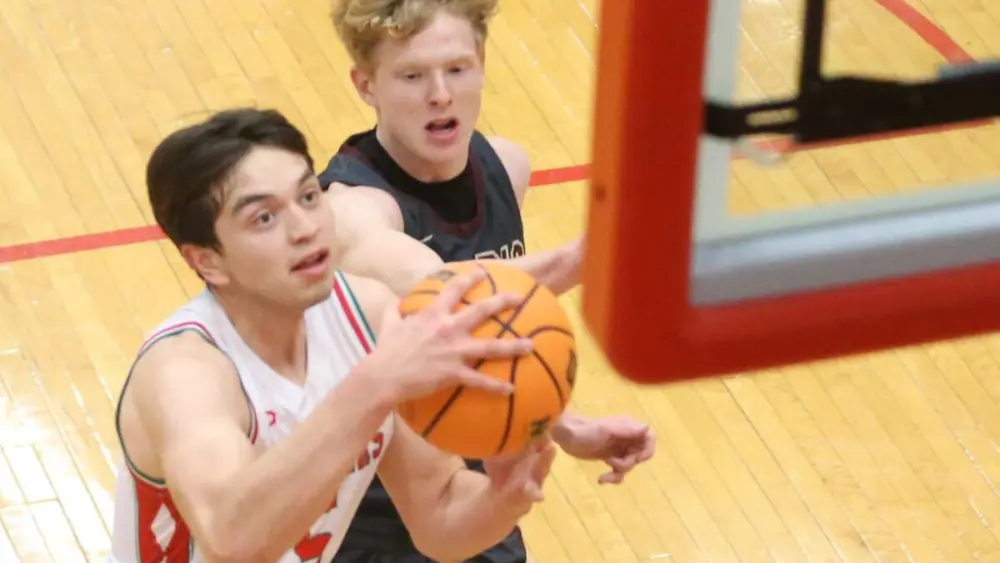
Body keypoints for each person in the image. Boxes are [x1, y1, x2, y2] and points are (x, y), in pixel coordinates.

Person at [108, 108, 559, 563]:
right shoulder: (184, 372)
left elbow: (439, 516)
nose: (305, 229)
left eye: (307, 197)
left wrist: (504, 498)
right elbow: (234, 540)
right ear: (208, 262)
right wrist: (377, 384)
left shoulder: (368, 314)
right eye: (264, 218)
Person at [317, 1, 658, 561]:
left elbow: (493, 342)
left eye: (456, 68)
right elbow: (444, 291)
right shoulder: (353, 207)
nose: (440, 94)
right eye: (411, 76)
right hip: (369, 512)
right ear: (366, 85)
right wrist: (588, 256)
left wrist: (564, 426)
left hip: (471, 486)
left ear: (481, 63)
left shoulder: (506, 166)